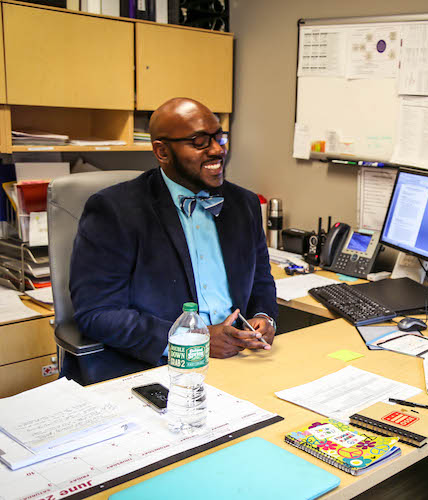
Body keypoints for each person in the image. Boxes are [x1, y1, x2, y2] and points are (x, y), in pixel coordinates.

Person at [66, 98, 278, 385]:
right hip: (158, 367)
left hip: (240, 362)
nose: (217, 150)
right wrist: (192, 341)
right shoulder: (114, 210)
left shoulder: (244, 203)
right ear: (162, 152)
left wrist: (264, 318)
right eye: (200, 142)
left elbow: (261, 280)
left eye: (219, 137)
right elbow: (97, 313)